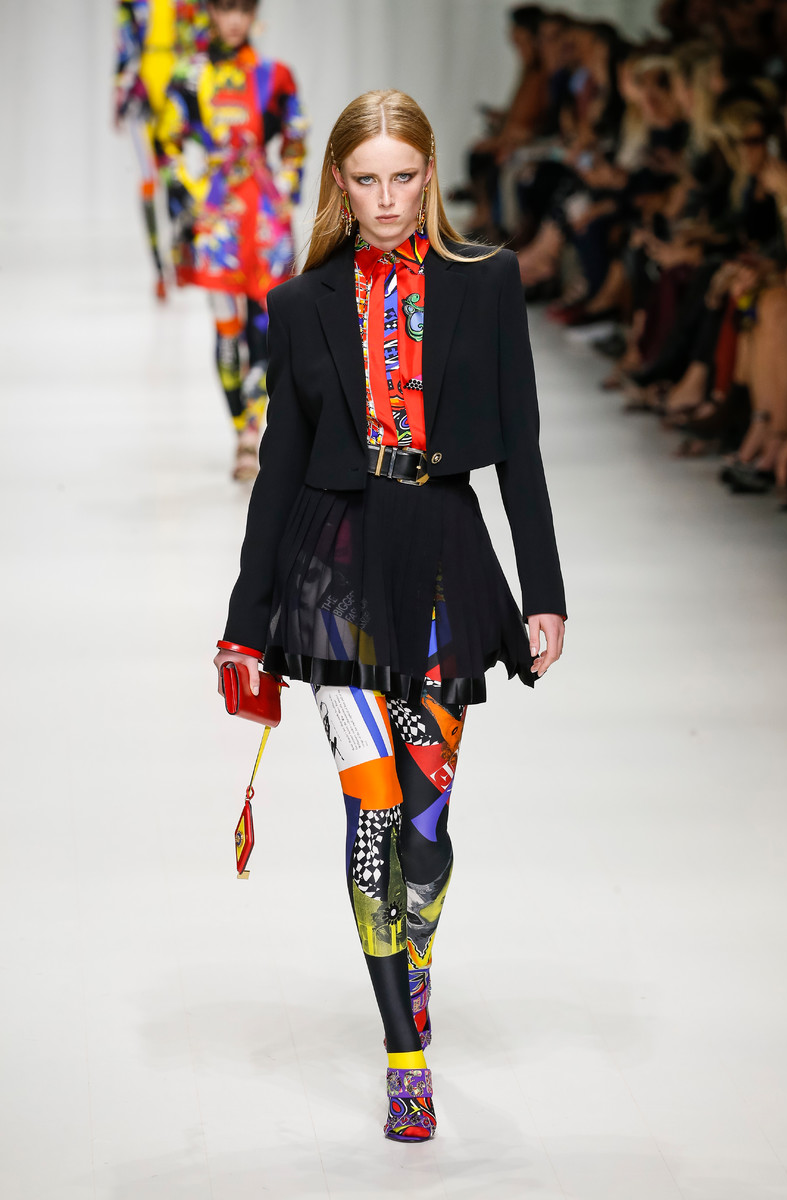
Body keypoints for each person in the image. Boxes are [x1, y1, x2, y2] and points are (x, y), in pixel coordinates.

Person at [213, 89, 566, 1141]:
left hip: (446, 560)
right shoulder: (300, 302)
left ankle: (417, 962)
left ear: (428, 176)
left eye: (401, 178)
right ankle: (402, 1049)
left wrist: (544, 593)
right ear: (337, 182)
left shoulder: (485, 281)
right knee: (371, 812)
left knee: (426, 830)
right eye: (364, 180)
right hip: (332, 565)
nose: (383, 199)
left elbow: (520, 449)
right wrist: (246, 621)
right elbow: (279, 467)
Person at [158, 0, 306, 480]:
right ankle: (240, 427)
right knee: (226, 327)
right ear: (211, 13)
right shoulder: (189, 76)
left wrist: (285, 188)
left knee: (268, 322)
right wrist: (191, 198)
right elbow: (167, 142)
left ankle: (251, 429)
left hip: (263, 217)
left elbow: (296, 137)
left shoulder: (274, 76)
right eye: (225, 7)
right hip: (219, 217)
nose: (235, 19)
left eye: (243, 7)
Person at [113, 0, 209, 300]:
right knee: (148, 181)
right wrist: (119, 95)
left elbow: (201, 38)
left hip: (176, 90)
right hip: (141, 92)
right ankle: (159, 268)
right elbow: (124, 44)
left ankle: (179, 254)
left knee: (175, 175)